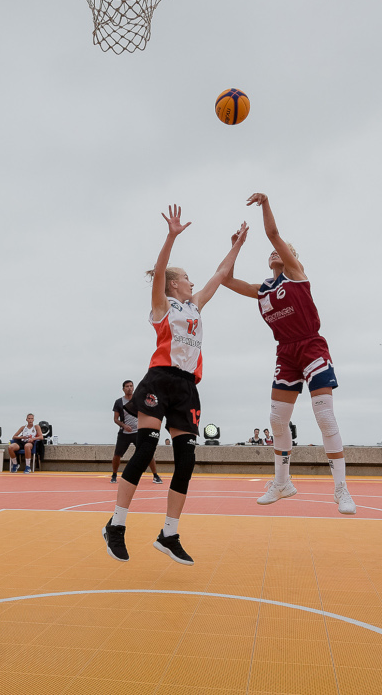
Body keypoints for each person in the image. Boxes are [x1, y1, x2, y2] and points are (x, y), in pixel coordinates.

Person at [102, 205, 248, 566]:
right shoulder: (162, 305)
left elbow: (220, 274)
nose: (193, 283)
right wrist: (172, 236)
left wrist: (238, 245)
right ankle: (116, 525)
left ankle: (169, 533)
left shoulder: (195, 307)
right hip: (160, 380)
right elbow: (158, 277)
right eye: (186, 278)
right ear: (173, 284)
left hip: (187, 388)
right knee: (146, 448)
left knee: (186, 460)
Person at [222, 193, 356, 515]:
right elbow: (225, 279)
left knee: (324, 416)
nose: (272, 252)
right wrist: (235, 246)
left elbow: (272, 234)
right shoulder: (263, 289)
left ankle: (341, 488)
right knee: (276, 420)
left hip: (311, 346)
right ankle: (283, 483)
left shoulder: (296, 274)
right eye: (270, 253)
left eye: (279, 251)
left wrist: (265, 203)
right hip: (285, 353)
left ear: (290, 256)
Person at [111, 380, 162, 484]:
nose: (129, 388)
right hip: (124, 433)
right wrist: (124, 426)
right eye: (127, 386)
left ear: (133, 387)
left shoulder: (139, 399)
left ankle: (155, 475)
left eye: (131, 386)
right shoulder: (119, 402)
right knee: (117, 455)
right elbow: (115, 419)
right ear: (123, 389)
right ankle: (114, 474)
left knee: (148, 453)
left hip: (138, 432)